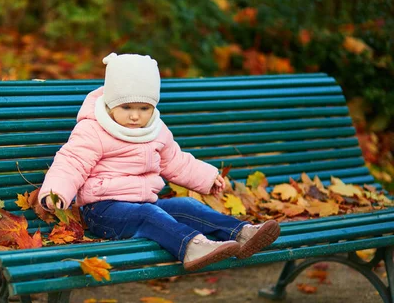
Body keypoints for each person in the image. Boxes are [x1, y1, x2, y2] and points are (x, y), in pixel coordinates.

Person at [39, 52, 280, 271]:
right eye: (126, 107)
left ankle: (241, 233)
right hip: (103, 211)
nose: (135, 116)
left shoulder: (155, 130)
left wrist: (207, 178)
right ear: (111, 103)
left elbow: (175, 162)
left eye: (144, 108)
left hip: (146, 204)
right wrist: (55, 192)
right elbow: (72, 162)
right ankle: (192, 246)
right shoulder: (93, 129)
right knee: (148, 215)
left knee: (187, 206)